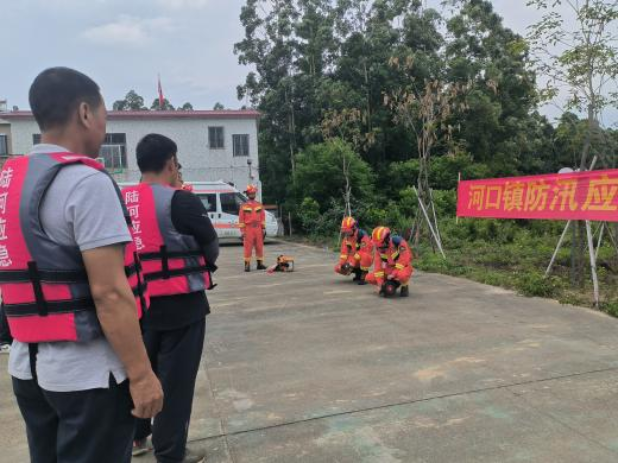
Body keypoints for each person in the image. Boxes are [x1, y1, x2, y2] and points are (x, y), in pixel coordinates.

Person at [2, 67, 163, 463]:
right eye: (105, 114)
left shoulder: (8, 183)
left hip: (27, 368)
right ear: (85, 113)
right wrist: (142, 375)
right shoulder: (85, 182)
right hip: (88, 375)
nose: (105, 126)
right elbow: (109, 293)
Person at [123, 134, 219, 463]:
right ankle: (170, 452)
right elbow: (210, 245)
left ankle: (137, 438)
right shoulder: (181, 201)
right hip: (181, 306)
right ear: (171, 163)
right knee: (175, 383)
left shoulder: (120, 200)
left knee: (139, 373)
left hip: (134, 306)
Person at [366, 226, 413, 297]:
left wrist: (393, 274)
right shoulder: (378, 249)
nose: (379, 248)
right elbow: (378, 267)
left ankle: (404, 285)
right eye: (377, 245)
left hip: (402, 267)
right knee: (369, 278)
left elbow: (404, 260)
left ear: (387, 239)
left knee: (402, 275)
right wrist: (380, 284)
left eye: (380, 244)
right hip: (388, 269)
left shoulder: (399, 242)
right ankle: (388, 285)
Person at [334, 216, 373, 285]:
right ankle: (358, 273)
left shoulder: (362, 235)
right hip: (355, 258)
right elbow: (344, 253)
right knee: (338, 268)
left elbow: (364, 251)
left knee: (364, 257)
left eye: (347, 230)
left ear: (354, 228)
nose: (346, 232)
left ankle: (364, 275)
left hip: (366, 257)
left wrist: (351, 264)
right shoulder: (347, 238)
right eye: (345, 231)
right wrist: (342, 264)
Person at [239, 184, 266, 272]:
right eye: (251, 193)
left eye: (253, 193)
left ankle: (260, 264)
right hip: (248, 229)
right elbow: (241, 220)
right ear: (247, 194)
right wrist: (242, 231)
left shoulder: (259, 205)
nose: (252, 195)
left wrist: (263, 228)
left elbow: (262, 217)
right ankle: (247, 265)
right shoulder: (243, 206)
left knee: (259, 247)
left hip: (258, 228)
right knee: (248, 247)